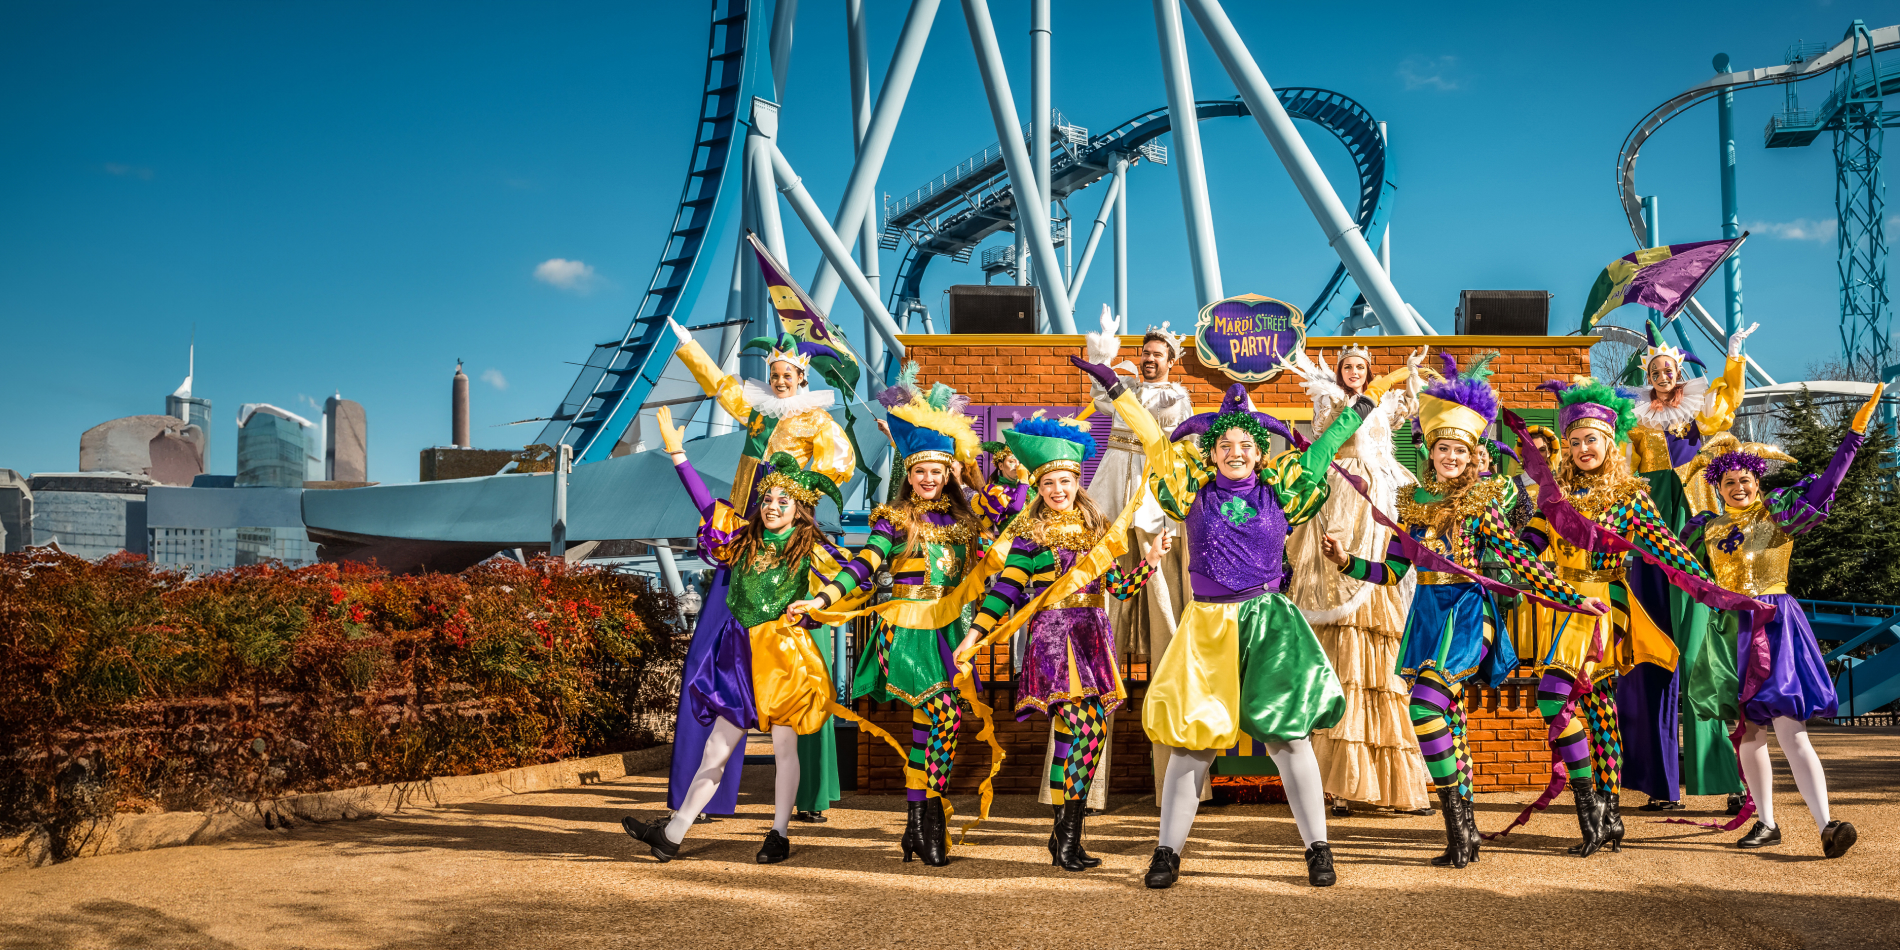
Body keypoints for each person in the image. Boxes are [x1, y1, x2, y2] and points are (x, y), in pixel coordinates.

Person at [1072, 355, 1414, 890]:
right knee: (1192, 744)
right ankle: (1167, 853)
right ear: (1211, 453)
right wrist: (1114, 385)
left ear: (1260, 453)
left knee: (1289, 739)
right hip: (1208, 625)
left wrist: (1365, 401)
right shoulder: (1191, 491)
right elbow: (1149, 432)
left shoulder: (1281, 489)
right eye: (1225, 445)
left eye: (1246, 446)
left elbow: (1325, 447)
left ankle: (1318, 850)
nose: (1236, 452)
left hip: (1268, 621)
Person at [1320, 354, 1602, 868]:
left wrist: (1567, 596)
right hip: (1428, 612)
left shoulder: (1483, 500)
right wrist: (1346, 561)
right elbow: (1390, 572)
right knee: (1445, 720)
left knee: (1425, 707)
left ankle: (1565, 810)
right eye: (1442, 447)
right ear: (1430, 449)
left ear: (1474, 455)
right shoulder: (1413, 502)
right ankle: (1462, 833)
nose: (1450, 456)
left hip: (1470, 613)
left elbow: (1519, 559)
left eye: (1460, 449)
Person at [622, 407, 862, 864]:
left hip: (784, 659)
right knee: (716, 747)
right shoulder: (742, 539)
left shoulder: (811, 547)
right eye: (767, 499)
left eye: (782, 501)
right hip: (737, 656)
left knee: (784, 748)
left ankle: (778, 833)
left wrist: (817, 604)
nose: (772, 506)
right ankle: (672, 833)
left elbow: (853, 578)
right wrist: (677, 453)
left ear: (798, 507)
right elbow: (705, 504)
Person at [788, 366, 1003, 868]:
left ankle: (919, 825)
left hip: (950, 631)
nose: (928, 479)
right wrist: (824, 600)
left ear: (949, 472)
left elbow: (999, 560)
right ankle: (927, 827)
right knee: (941, 718)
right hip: (906, 630)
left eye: (937, 470)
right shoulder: (894, 519)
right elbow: (865, 566)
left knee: (936, 731)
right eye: (919, 471)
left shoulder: (967, 521)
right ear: (908, 475)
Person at [951, 414, 1172, 870]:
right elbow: (1006, 590)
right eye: (1049, 482)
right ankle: (1066, 836)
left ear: (1078, 482)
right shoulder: (1028, 535)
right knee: (1088, 731)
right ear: (1038, 485)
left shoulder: (1097, 532)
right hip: (1053, 639)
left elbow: (1120, 589)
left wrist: (1150, 560)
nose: (1058, 490)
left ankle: (1063, 838)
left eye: (1066, 481)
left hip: (1092, 636)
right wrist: (974, 636)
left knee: (1075, 738)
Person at [1516, 377, 1724, 857]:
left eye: (1592, 440)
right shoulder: (1554, 498)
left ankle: (1599, 810)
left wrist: (1710, 589)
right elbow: (1527, 546)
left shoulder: (1629, 497)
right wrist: (1513, 560)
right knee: (1591, 710)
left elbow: (1669, 551)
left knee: (1575, 703)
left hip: (1604, 610)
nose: (1583, 448)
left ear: (1609, 444)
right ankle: (1602, 813)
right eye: (1574, 442)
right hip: (1561, 606)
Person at [661, 321, 857, 824]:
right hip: (742, 545)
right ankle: (698, 798)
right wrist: (687, 345)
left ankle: (805, 801)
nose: (780, 380)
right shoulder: (757, 414)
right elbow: (720, 384)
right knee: (706, 667)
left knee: (801, 680)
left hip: (791, 553)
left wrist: (794, 503)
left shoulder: (819, 423)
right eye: (773, 372)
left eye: (788, 372)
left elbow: (840, 467)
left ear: (802, 375)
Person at [1676, 384, 1881, 859]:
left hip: (1777, 626)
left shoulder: (1779, 514)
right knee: (1748, 731)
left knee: (1792, 728)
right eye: (1729, 483)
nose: (1739, 488)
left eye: (1746, 480)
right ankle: (1766, 822)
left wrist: (1853, 434)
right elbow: (1670, 560)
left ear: (1757, 481)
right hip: (1733, 633)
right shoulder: (1704, 528)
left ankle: (1827, 824)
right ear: (1718, 488)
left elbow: (1828, 483)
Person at [1281, 344, 1431, 817]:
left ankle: (1386, 781)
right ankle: (1333, 780)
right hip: (1345, 496)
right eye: (1347, 366)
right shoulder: (1330, 399)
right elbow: (1326, 441)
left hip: (1380, 502)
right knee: (1341, 630)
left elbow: (1410, 415)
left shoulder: (1380, 403)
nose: (1353, 372)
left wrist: (1409, 381)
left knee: (1381, 624)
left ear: (1369, 373)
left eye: (1361, 367)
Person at [1623, 321, 1757, 810]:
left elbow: (1731, 398)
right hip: (1648, 533)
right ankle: (1660, 784)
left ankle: (1729, 778)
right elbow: (1619, 465)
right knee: (1651, 654)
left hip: (1693, 534)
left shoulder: (1700, 410)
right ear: (1648, 375)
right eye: (1655, 369)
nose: (1662, 375)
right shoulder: (1636, 421)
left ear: (1679, 372)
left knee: (1705, 658)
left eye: (1668, 368)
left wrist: (1734, 353)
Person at [1081, 307, 1198, 804]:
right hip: (1112, 485)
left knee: (1165, 611)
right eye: (1145, 354)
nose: (1150, 360)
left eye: (1158, 355)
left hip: (1152, 496)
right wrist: (1102, 357)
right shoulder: (1123, 381)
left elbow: (1169, 432)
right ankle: (1087, 786)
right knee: (1098, 595)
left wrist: (1117, 382)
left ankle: (1174, 785)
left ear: (1172, 359)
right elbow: (1100, 399)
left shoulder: (1177, 395)